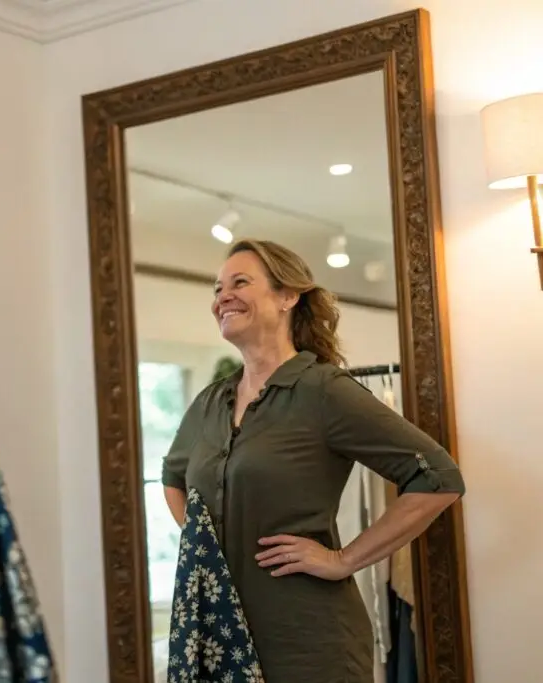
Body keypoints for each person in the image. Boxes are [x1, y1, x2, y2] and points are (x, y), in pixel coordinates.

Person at [161, 238, 465, 683]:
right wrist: (203, 553)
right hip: (219, 641)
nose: (222, 296)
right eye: (216, 287)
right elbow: (173, 478)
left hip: (308, 643)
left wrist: (342, 559)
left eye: (240, 282)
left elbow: (438, 478)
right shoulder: (211, 402)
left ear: (288, 296)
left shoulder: (324, 391)